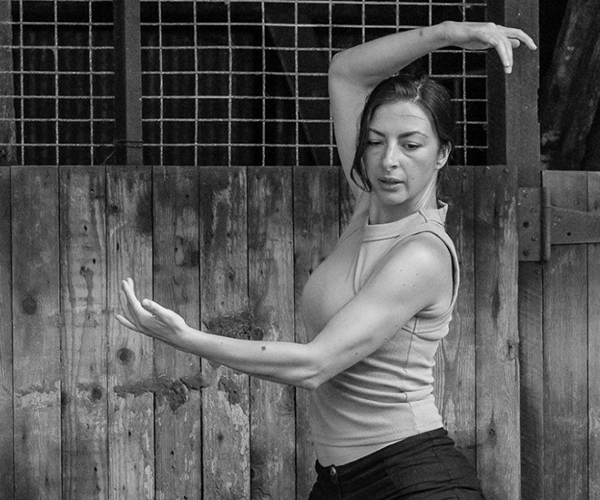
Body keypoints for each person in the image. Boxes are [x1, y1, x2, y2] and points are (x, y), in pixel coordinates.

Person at [116, 20, 536, 500]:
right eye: (375, 141)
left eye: (412, 144)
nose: (388, 160)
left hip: (413, 479)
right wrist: (449, 33)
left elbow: (315, 365)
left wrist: (187, 338)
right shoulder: (367, 204)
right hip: (338, 482)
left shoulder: (422, 252)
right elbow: (347, 73)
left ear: (443, 154)